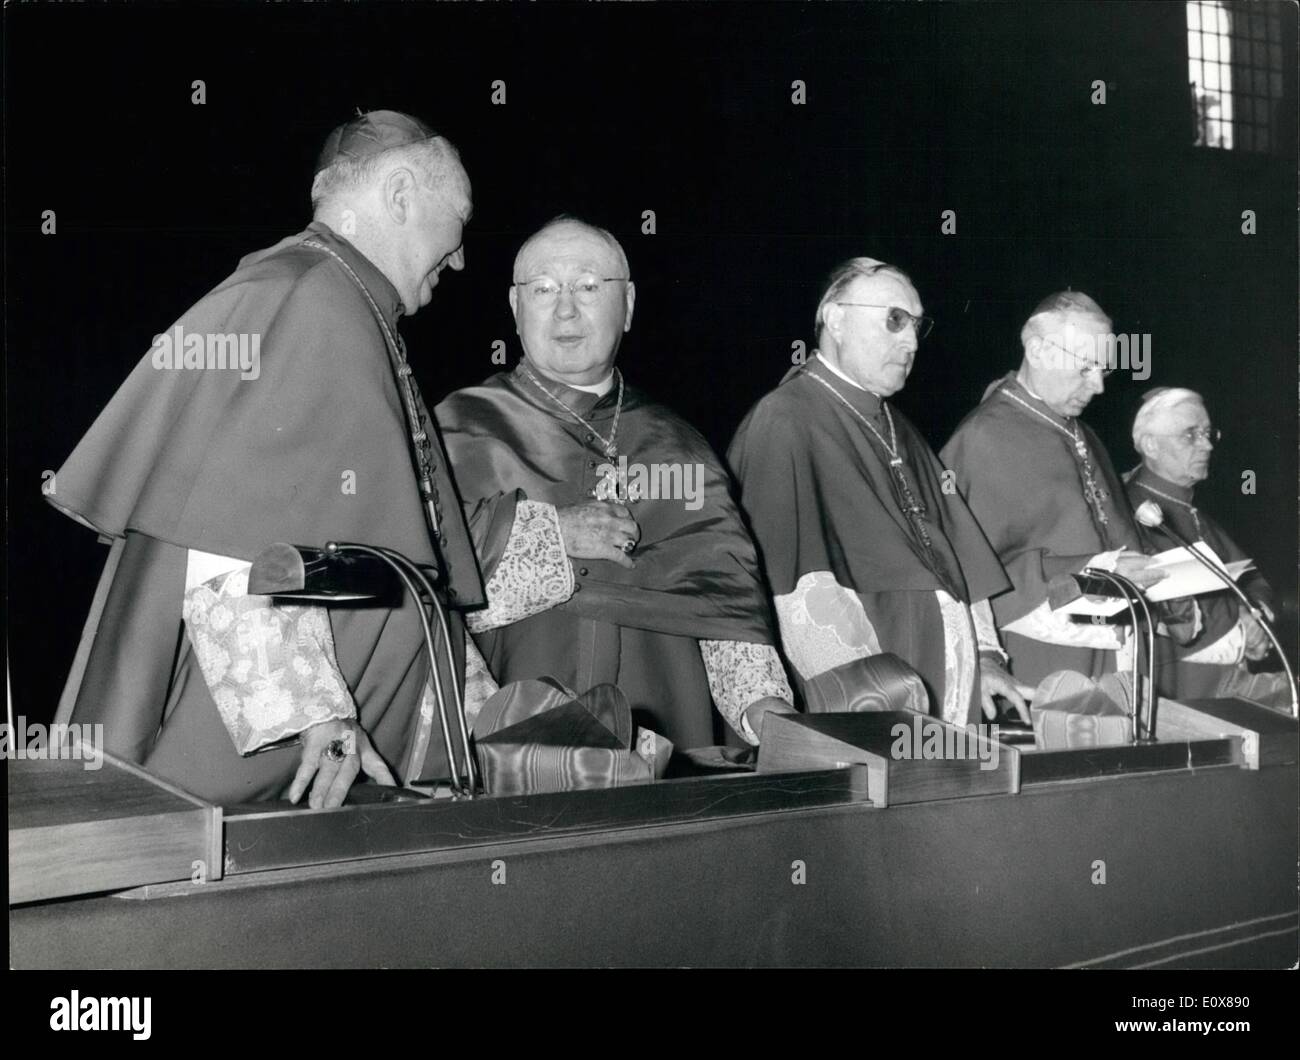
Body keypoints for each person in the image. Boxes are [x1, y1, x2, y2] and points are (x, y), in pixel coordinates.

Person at [49, 110, 489, 807]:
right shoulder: (312, 300)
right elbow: (236, 540)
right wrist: (314, 711)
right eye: (459, 216)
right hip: (261, 757)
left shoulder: (332, 297)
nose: (461, 256)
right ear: (402, 194)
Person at [436, 217, 794, 748]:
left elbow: (725, 605)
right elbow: (427, 588)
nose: (565, 309)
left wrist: (764, 710)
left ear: (627, 305)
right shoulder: (458, 429)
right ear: (514, 310)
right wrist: (553, 535)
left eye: (587, 286)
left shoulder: (678, 445)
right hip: (510, 727)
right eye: (543, 289)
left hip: (665, 732)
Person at [728, 257, 1029, 725]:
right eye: (894, 320)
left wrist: (987, 655)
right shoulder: (786, 422)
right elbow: (793, 589)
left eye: (915, 325)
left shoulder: (901, 429)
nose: (911, 341)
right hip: (872, 700)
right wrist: (868, 704)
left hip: (948, 693)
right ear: (837, 320)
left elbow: (961, 556)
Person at [940, 291, 1175, 688]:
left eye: (1104, 369)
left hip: (1115, 654)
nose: (1099, 386)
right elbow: (967, 573)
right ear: (1037, 351)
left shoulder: (1087, 436)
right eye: (1085, 368)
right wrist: (1093, 570)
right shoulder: (981, 438)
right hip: (1039, 661)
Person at [1125, 388, 1288, 706]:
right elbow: (1160, 604)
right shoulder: (1125, 508)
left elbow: (1256, 582)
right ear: (1150, 444)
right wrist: (1240, 630)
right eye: (1191, 434)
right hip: (1171, 691)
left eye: (1209, 433)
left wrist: (1257, 619)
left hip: (1228, 684)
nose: (1208, 444)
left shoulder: (1200, 515)